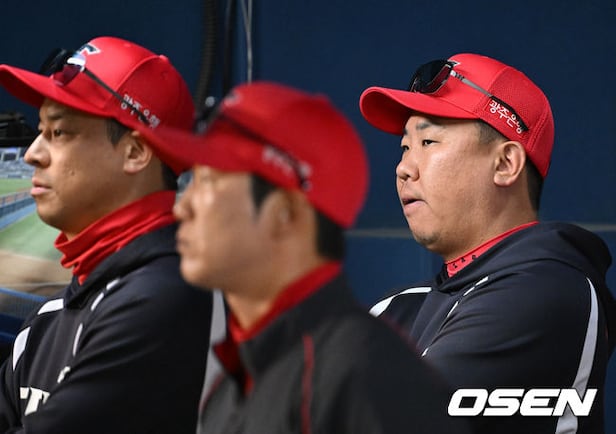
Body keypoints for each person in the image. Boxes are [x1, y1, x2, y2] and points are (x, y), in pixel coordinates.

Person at [136, 81, 472, 433]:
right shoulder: (231, 382)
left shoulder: (364, 372)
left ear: (285, 214)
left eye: (208, 181)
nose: (182, 208)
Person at [359, 53, 616, 433]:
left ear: (505, 164)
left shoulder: (547, 289)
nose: (404, 168)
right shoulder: (398, 307)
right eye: (405, 148)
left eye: (428, 141)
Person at [0, 36, 213, 433]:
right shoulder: (46, 321)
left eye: (59, 132)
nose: (32, 153)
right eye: (40, 130)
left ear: (135, 153)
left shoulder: (165, 297)